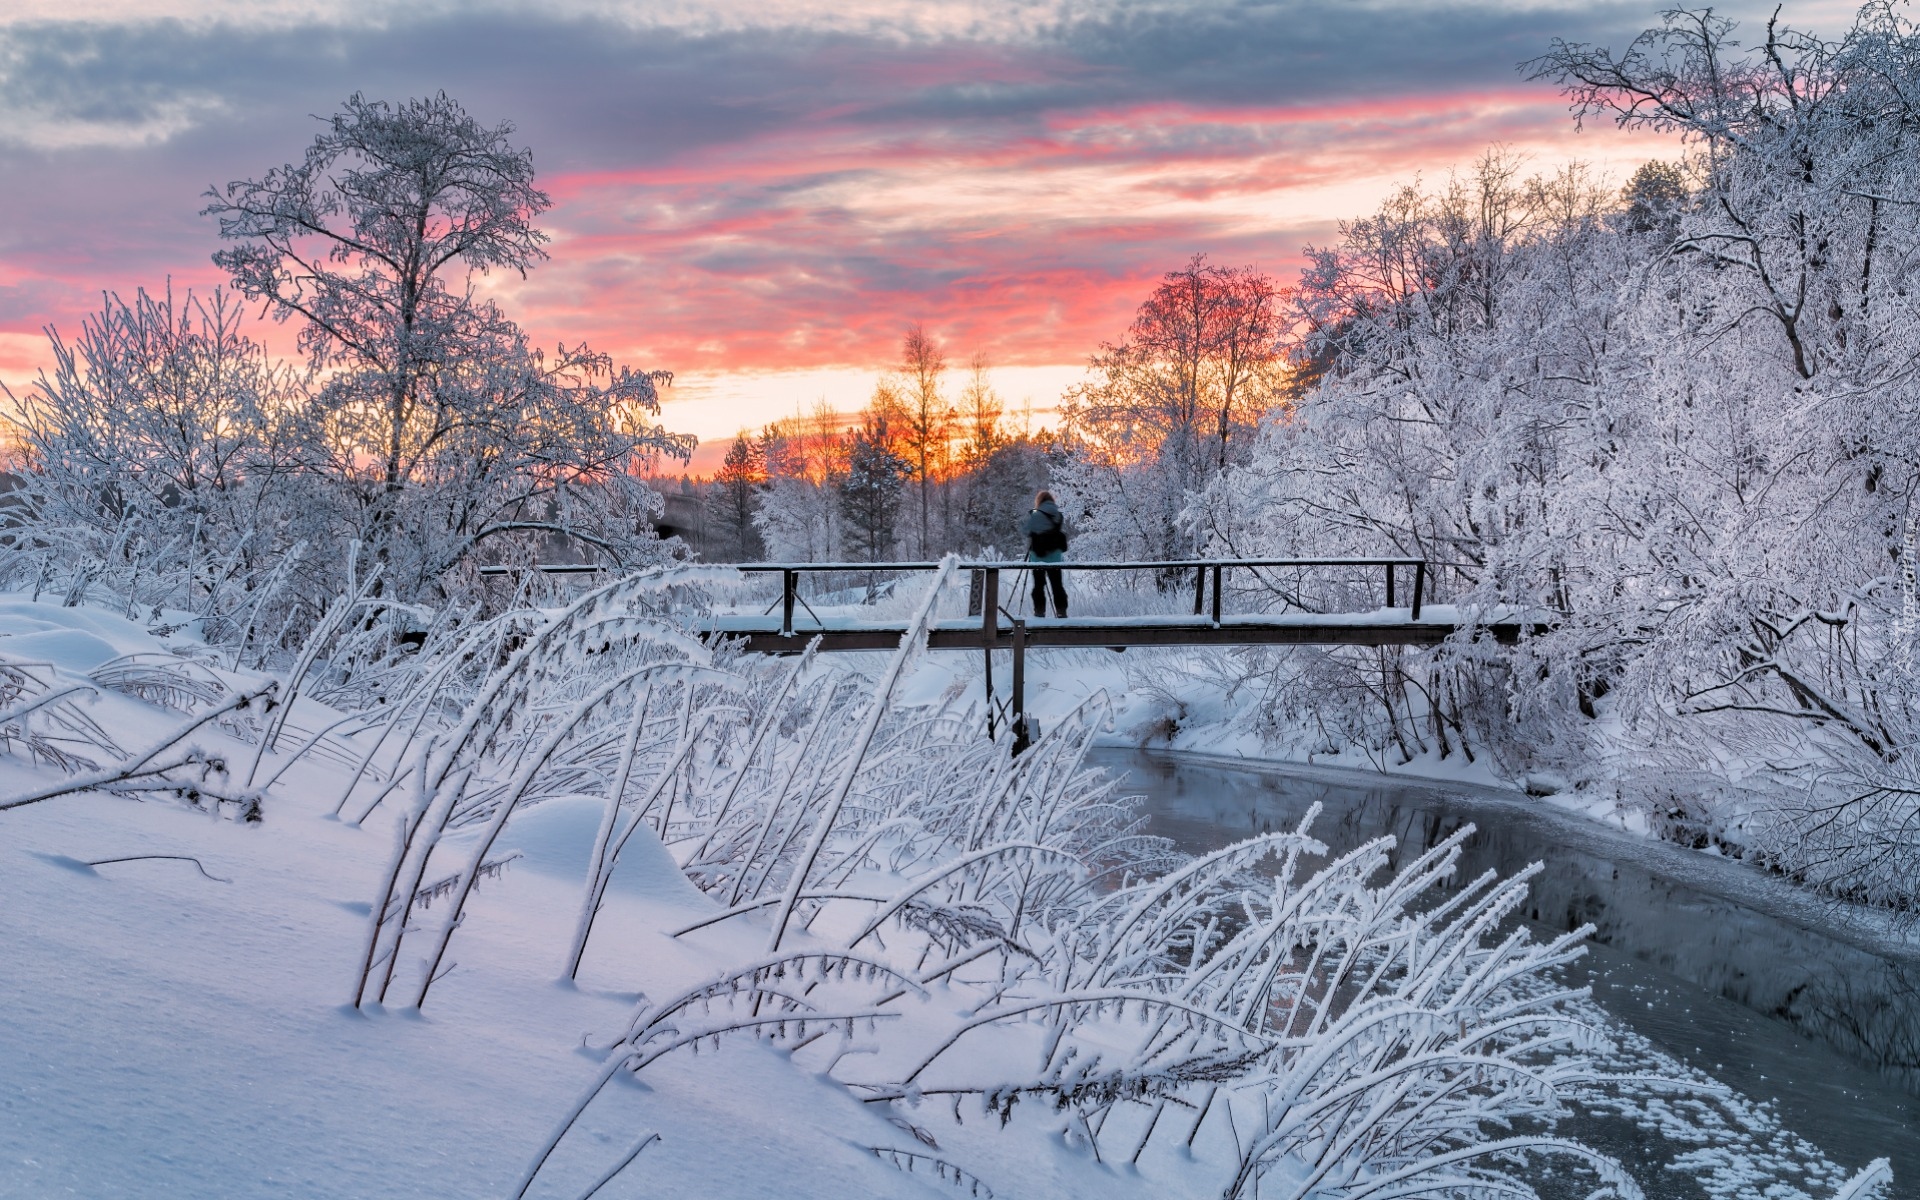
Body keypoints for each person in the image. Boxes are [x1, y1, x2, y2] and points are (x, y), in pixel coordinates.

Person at [1022, 490, 1069, 618]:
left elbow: (1025, 530)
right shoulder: (1058, 515)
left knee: (1038, 586)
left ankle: (1039, 611)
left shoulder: (1036, 515)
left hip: (1038, 556)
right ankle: (1061, 611)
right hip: (1055, 556)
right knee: (1057, 585)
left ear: (1039, 501)